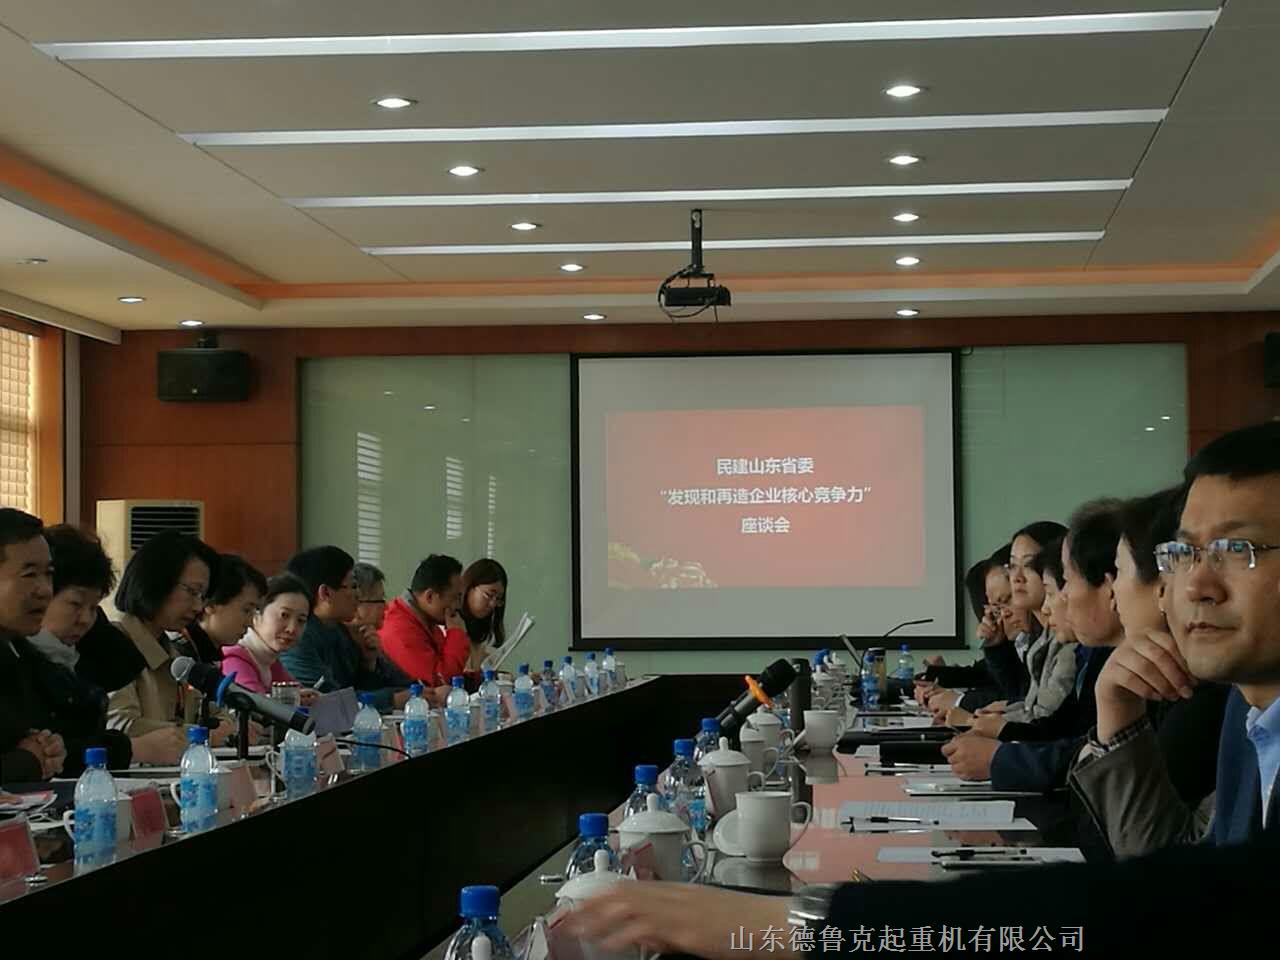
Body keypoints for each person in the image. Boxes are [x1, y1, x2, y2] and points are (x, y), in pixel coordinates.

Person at [1086, 421, 1280, 843]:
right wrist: (1119, 717)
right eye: (1184, 552)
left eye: (1236, 549)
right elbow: (1193, 875)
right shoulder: (1247, 710)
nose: (1195, 585)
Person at [1070, 487, 1229, 857]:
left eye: (1119, 571)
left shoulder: (1208, 698)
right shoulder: (1239, 706)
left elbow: (1148, 863)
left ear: (1162, 588)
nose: (1112, 594)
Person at [944, 503, 1124, 788]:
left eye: (1064, 583)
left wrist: (1001, 746)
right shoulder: (1064, 645)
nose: (1016, 578)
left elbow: (1091, 753)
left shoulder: (1089, 652)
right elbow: (1057, 725)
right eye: (1012, 566)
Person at [25, 523, 187, 770]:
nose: (85, 619)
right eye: (75, 604)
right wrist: (133, 749)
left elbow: (123, 665)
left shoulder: (76, 655)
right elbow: (60, 751)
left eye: (94, 607)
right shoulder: (20, 658)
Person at [105, 530, 233, 743]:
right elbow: (122, 728)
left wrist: (222, 727)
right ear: (155, 580)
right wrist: (203, 735)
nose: (198, 606)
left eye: (202, 596)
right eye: (192, 592)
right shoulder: (113, 643)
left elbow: (217, 715)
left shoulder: (174, 652)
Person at [279, 546, 410, 711]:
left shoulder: (338, 629)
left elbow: (357, 690)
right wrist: (392, 700)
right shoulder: (298, 638)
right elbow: (327, 701)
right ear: (326, 593)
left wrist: (368, 662)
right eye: (353, 586)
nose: (358, 595)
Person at [974, 536, 1079, 725]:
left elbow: (1046, 720)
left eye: (1029, 565)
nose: (1017, 578)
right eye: (1013, 566)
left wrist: (979, 722)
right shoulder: (1039, 640)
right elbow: (1026, 701)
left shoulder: (1068, 644)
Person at [1, 508, 67, 781]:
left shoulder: (19, 653)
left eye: (48, 574)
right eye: (29, 575)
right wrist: (27, 762)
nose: (45, 590)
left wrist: (51, 749)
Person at [380, 554, 472, 689]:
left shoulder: (425, 619)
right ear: (429, 596)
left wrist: (476, 678)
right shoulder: (400, 629)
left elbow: (446, 668)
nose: (458, 606)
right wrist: (457, 635)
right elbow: (439, 682)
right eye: (454, 598)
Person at [221, 573, 317, 704]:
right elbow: (256, 707)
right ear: (256, 614)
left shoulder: (270, 661)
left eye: (301, 620)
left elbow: (302, 694)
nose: (292, 628)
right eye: (284, 615)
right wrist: (292, 700)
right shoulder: (234, 659)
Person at [183, 554, 267, 663]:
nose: (250, 623)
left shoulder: (211, 653)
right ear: (210, 604)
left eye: (255, 611)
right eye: (246, 610)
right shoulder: (182, 656)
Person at [460, 558, 507, 673]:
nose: (493, 604)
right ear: (469, 587)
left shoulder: (480, 631)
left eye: (498, 599)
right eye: (489, 595)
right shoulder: (448, 625)